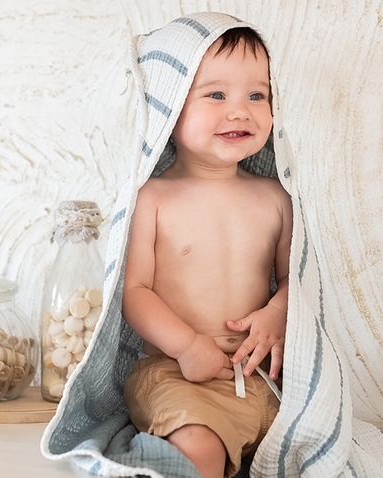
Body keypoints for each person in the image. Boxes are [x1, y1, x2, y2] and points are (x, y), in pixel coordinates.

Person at [122, 26, 292, 478]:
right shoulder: (153, 198)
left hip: (264, 380)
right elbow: (134, 291)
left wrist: (279, 310)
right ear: (169, 105)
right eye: (216, 95)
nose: (240, 110)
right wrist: (187, 345)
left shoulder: (277, 197)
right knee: (199, 448)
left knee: (318, 445)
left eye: (257, 95)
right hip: (179, 374)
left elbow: (296, 276)